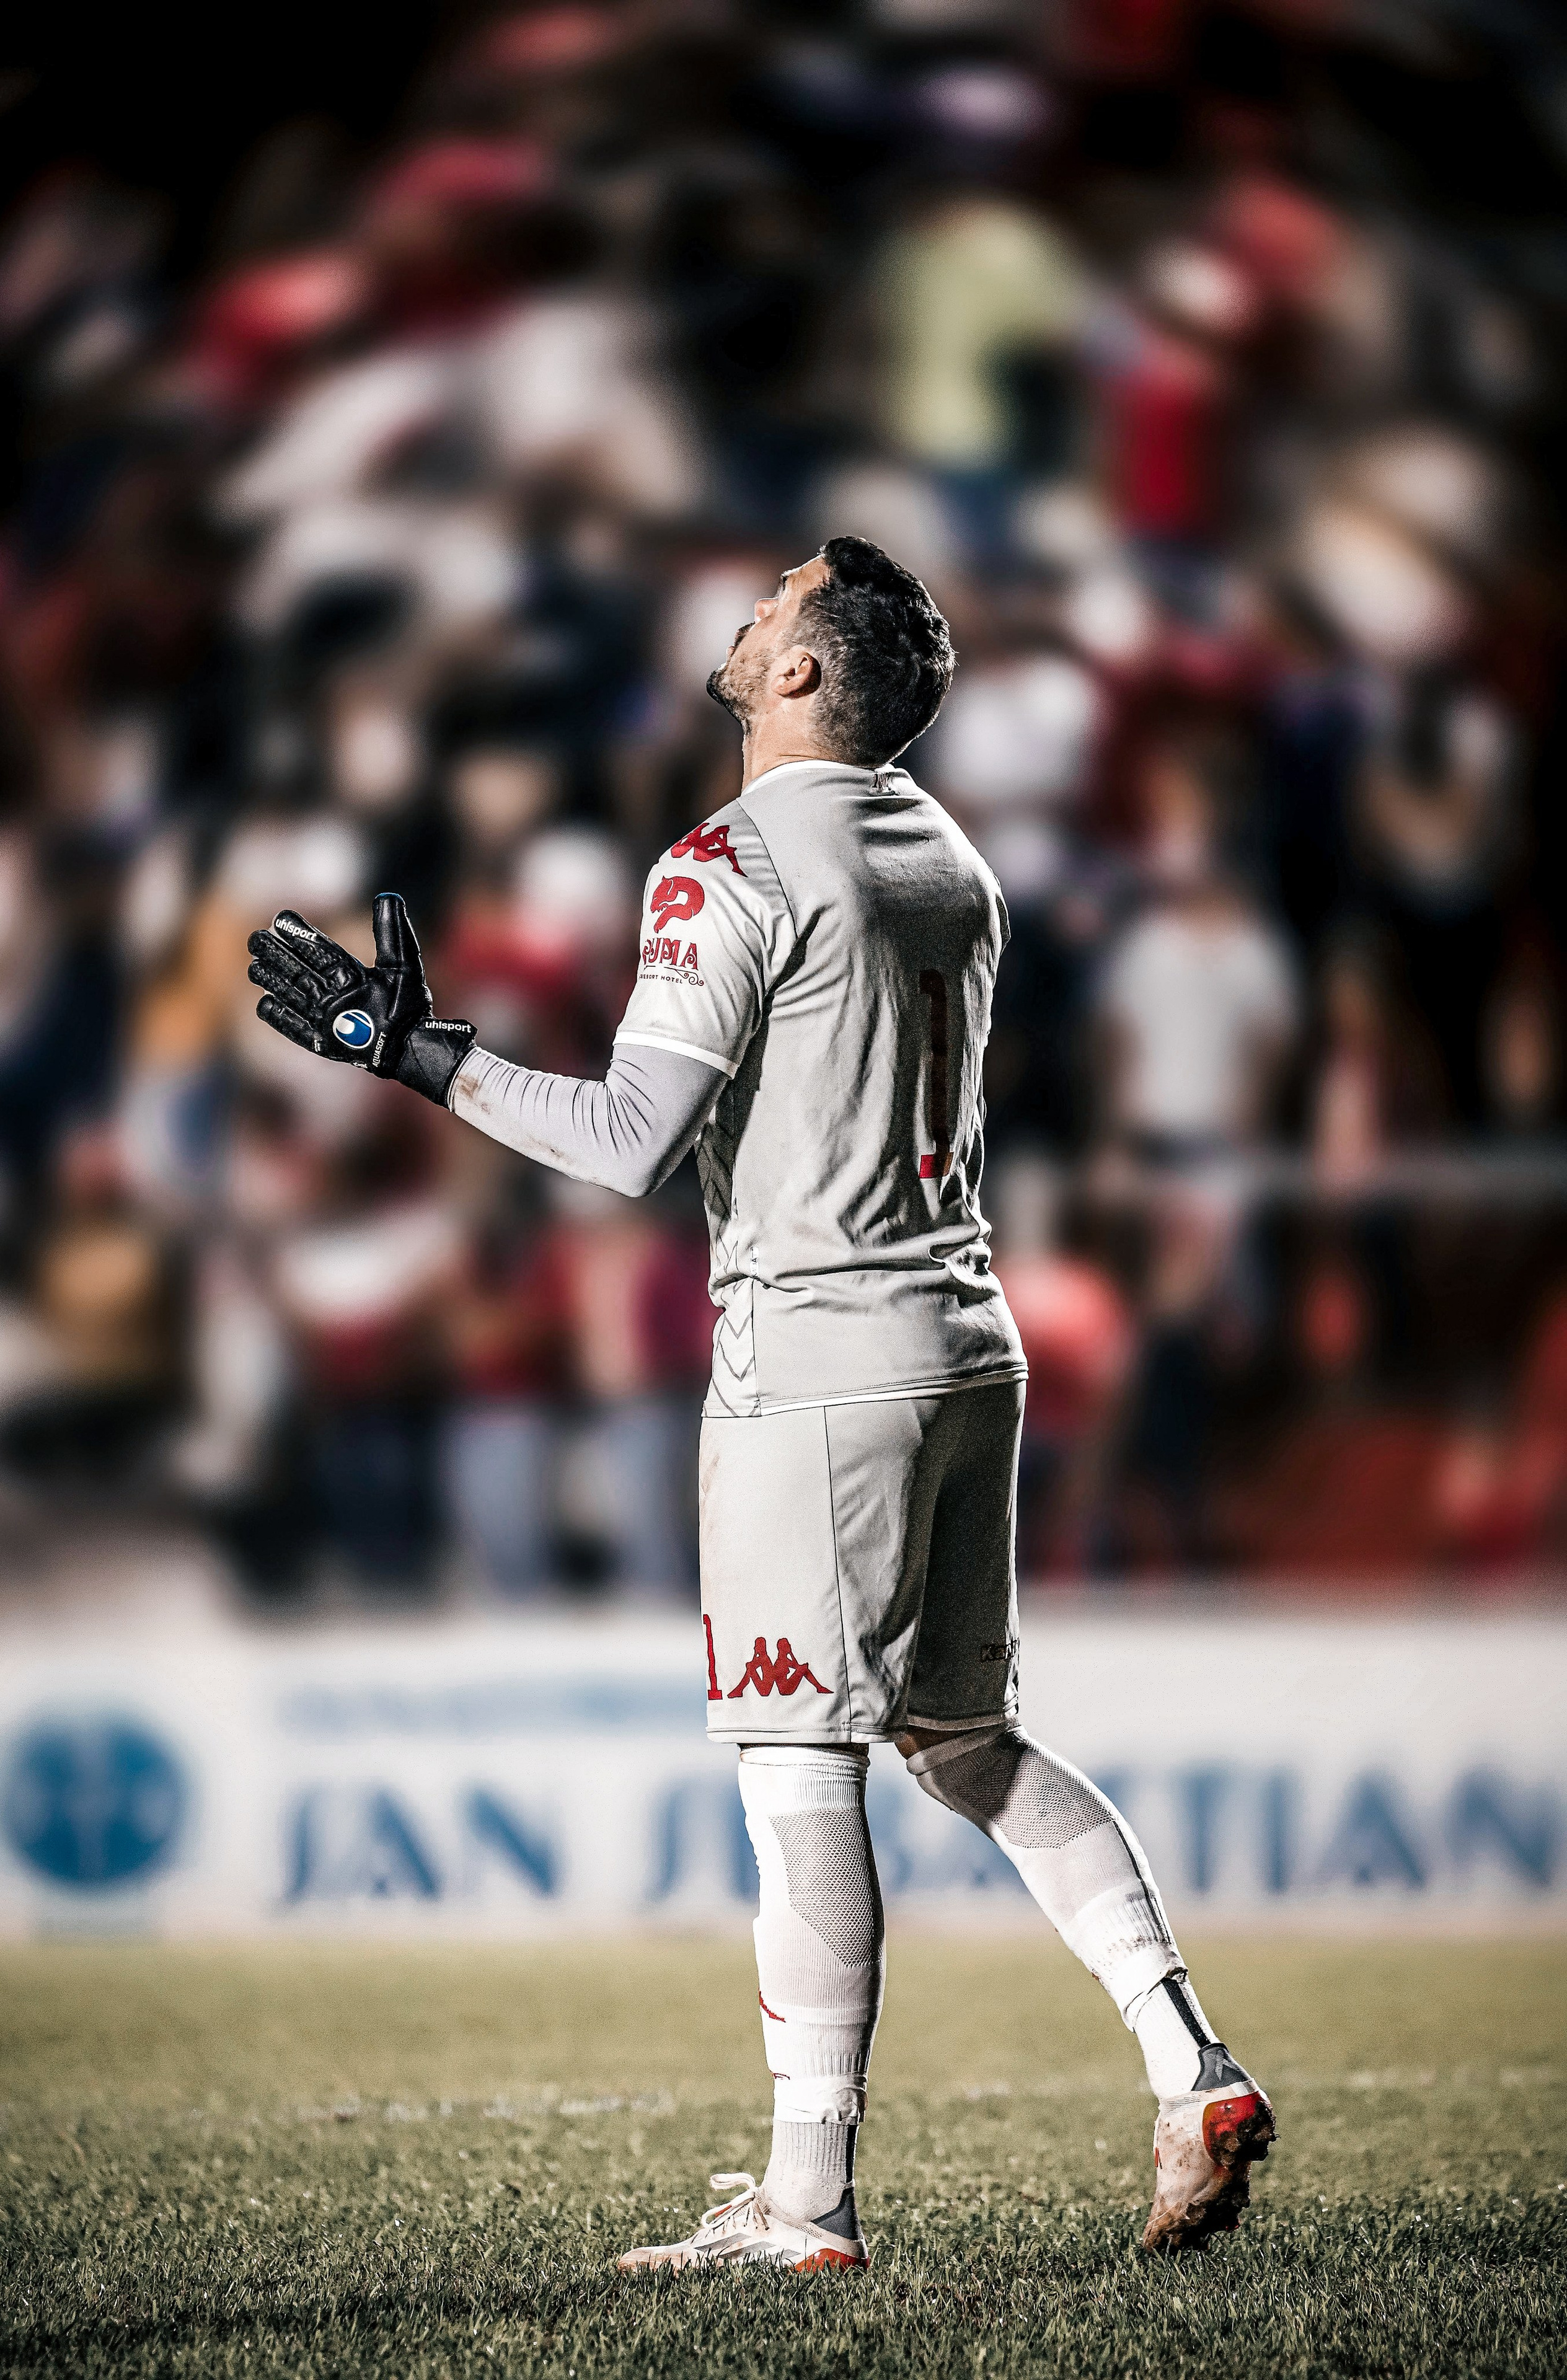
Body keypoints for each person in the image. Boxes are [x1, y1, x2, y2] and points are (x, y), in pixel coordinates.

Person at [245, 534, 1275, 2268]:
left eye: (778, 598)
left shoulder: (723, 861)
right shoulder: (948, 852)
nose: (747, 609)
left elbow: (626, 1142)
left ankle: (804, 2204)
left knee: (800, 1774)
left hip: (813, 1368)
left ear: (800, 673)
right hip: (963, 1338)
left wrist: (410, 1053)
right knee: (965, 1741)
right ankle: (1194, 2063)